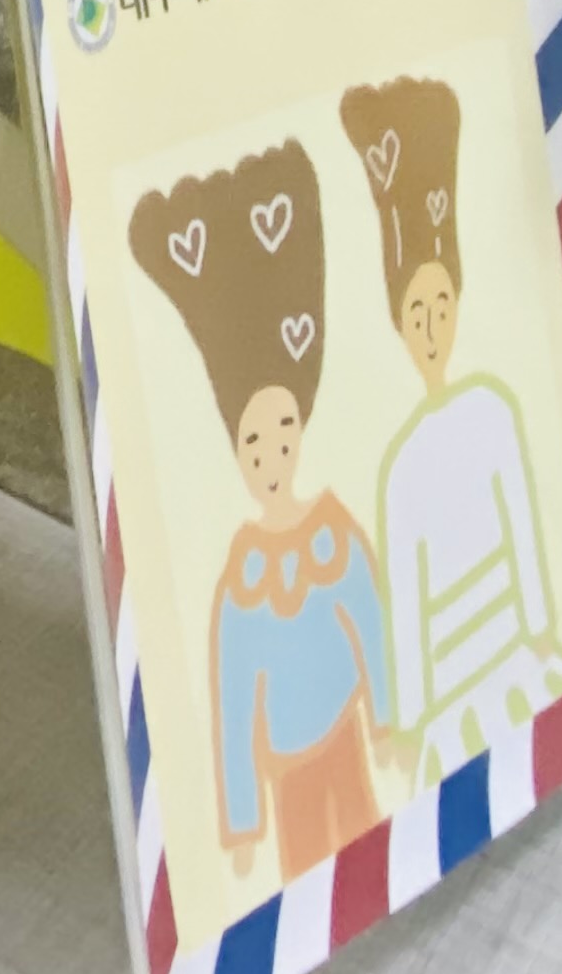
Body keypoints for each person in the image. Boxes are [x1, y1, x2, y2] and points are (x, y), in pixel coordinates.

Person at [127, 141, 391, 877]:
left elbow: (370, 626)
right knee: (302, 864)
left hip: (345, 731)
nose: (271, 459)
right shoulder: (240, 577)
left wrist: (387, 721)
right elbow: (234, 698)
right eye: (253, 443)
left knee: (364, 839)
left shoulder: (335, 533)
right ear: (235, 452)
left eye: (282, 435)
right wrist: (241, 825)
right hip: (286, 766)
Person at [344, 78, 562, 771]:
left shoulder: (493, 410)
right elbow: (406, 598)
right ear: (398, 324)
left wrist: (540, 628)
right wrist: (413, 717)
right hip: (448, 681)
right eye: (416, 313)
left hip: (515, 648)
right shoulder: (401, 465)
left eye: (441, 306)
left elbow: (521, 522)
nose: (430, 327)